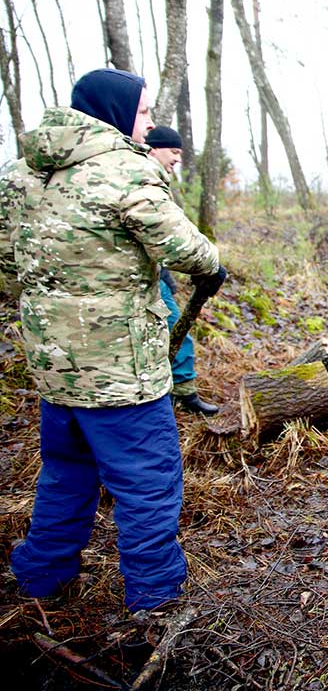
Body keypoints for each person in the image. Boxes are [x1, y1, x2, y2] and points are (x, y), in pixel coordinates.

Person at [0, 68, 227, 612]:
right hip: (122, 372)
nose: (148, 124)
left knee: (65, 473)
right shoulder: (125, 169)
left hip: (55, 367)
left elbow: (8, 269)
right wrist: (213, 263)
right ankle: (155, 595)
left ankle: (41, 575)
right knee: (148, 482)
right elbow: (184, 250)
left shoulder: (19, 174)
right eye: (143, 111)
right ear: (113, 110)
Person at [145, 125, 219, 415]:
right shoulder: (143, 180)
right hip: (146, 284)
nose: (177, 158)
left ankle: (175, 391)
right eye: (173, 151)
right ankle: (182, 393)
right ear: (154, 148)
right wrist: (209, 265)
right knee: (175, 326)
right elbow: (172, 241)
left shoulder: (154, 180)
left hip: (154, 277)